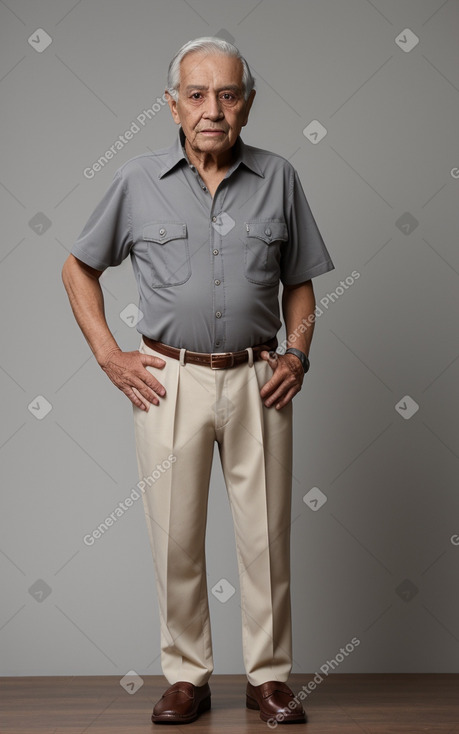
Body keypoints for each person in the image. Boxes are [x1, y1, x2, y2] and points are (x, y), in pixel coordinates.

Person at [62, 36, 334, 725]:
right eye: (196, 94)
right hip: (169, 382)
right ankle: (187, 676)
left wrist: (296, 357)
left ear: (246, 103)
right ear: (172, 104)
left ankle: (268, 677)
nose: (211, 108)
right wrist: (108, 355)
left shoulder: (279, 178)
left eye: (227, 93)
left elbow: (299, 285)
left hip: (256, 380)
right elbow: (77, 268)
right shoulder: (135, 181)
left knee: (265, 538)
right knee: (174, 537)